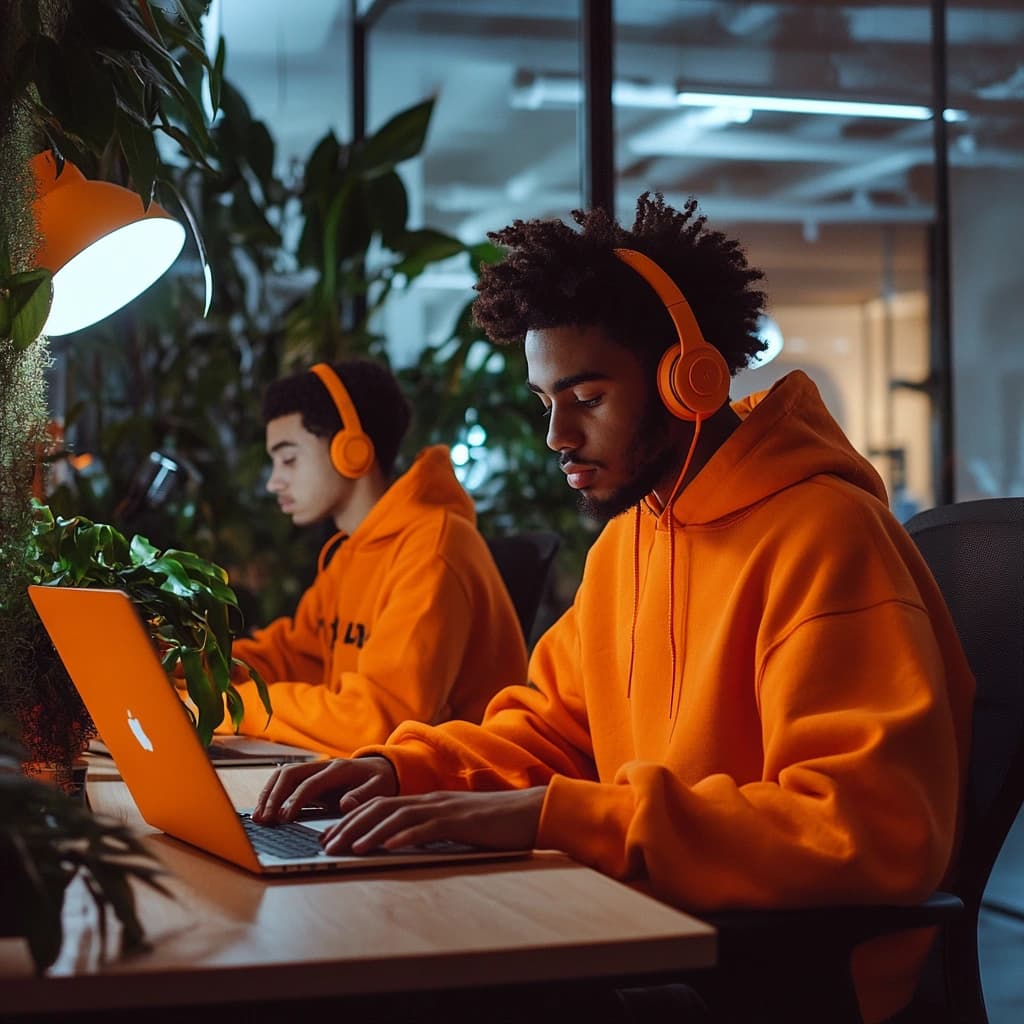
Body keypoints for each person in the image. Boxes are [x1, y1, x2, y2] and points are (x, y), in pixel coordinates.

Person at [252, 196, 975, 1023]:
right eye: (544, 400)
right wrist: (401, 768)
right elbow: (554, 729)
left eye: (586, 397)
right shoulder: (628, 544)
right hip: (656, 919)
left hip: (780, 972)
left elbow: (865, 827)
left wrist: (553, 817)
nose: (556, 434)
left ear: (688, 379)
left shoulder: (825, 536)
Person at [218, 357, 528, 757]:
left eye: (289, 458)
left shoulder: (433, 550)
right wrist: (187, 672)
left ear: (352, 449)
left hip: (451, 793)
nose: (274, 481)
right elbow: (293, 658)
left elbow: (379, 721)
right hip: (378, 785)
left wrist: (230, 707)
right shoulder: (350, 554)